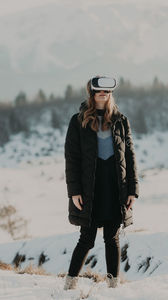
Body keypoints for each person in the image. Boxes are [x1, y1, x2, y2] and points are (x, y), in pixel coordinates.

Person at [64, 76, 139, 289]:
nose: (103, 95)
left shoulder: (121, 120)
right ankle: (69, 285)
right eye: (99, 92)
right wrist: (74, 191)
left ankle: (113, 286)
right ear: (92, 94)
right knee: (86, 238)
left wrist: (132, 190)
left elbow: (131, 156)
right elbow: (72, 158)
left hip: (115, 186)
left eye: (107, 92)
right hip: (90, 188)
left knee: (112, 239)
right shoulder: (78, 121)